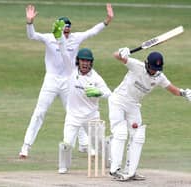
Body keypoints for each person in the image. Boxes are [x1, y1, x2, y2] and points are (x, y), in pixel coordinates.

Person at [19, 3, 114, 158]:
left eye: (68, 31)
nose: (67, 34)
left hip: (69, 80)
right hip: (51, 79)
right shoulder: (50, 38)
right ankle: (26, 146)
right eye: (64, 31)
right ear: (60, 30)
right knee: (39, 112)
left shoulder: (76, 38)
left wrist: (107, 20)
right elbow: (32, 36)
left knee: (75, 112)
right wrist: (29, 22)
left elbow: (92, 32)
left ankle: (85, 145)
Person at [108, 47, 191, 181]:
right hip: (118, 100)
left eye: (157, 69)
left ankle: (131, 171)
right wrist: (122, 52)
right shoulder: (137, 66)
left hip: (133, 105)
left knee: (138, 136)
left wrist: (184, 93)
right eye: (152, 68)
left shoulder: (159, 77)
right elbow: (115, 55)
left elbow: (172, 89)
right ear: (147, 64)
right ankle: (114, 170)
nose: (154, 71)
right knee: (120, 133)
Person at [52, 20, 112, 174]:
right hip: (73, 115)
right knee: (66, 144)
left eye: (88, 61)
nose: (85, 64)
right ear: (78, 61)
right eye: (82, 60)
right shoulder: (71, 70)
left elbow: (108, 93)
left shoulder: (96, 78)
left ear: (91, 63)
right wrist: (59, 38)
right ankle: (63, 166)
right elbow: (64, 53)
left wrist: (98, 92)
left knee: (99, 143)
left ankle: (109, 161)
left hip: (91, 116)